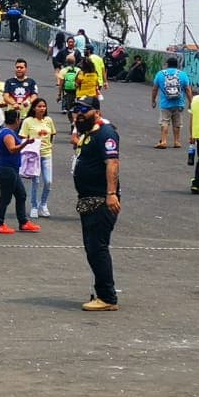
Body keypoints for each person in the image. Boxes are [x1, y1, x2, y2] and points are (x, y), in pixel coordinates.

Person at [71, 96, 121, 311]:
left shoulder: (106, 133)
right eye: (76, 110)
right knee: (92, 248)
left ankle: (107, 297)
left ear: (97, 112)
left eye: (84, 110)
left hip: (101, 199)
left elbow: (112, 163)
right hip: (88, 199)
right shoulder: (88, 134)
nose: (79, 113)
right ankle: (103, 293)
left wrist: (111, 193)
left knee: (97, 248)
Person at [0, 108, 39, 235]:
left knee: (21, 194)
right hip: (7, 169)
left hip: (12, 169)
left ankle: (23, 222)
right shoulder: (7, 133)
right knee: (5, 197)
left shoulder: (8, 132)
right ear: (16, 120)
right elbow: (12, 149)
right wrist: (26, 143)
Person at [20, 98, 57, 218]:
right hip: (33, 155)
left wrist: (49, 147)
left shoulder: (49, 120)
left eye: (44, 106)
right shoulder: (28, 121)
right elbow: (23, 137)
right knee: (35, 181)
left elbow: (52, 135)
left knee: (48, 181)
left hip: (46, 154)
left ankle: (43, 204)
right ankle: (34, 206)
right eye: (39, 106)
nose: (42, 109)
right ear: (34, 108)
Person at [150, 56, 194, 149]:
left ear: (167, 64)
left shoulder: (160, 74)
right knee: (177, 123)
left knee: (164, 122)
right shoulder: (182, 74)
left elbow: (155, 89)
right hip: (179, 103)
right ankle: (177, 141)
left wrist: (153, 100)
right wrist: (191, 102)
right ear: (177, 65)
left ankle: (164, 141)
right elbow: (188, 89)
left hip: (165, 103)